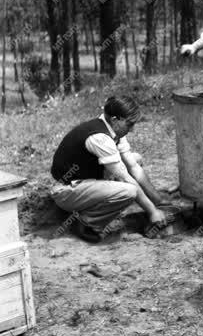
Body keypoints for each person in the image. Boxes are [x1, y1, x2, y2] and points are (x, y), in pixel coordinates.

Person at [50, 96, 168, 242]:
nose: (132, 129)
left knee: (135, 158)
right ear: (115, 119)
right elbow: (125, 178)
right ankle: (86, 222)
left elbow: (133, 166)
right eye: (130, 124)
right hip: (66, 191)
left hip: (87, 181)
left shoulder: (114, 130)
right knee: (129, 191)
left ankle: (90, 209)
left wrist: (159, 202)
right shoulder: (100, 138)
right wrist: (152, 212)